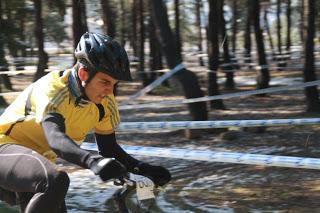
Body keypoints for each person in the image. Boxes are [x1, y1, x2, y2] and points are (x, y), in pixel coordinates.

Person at [0, 32, 171, 212]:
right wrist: (92, 161)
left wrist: (141, 167)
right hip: (4, 147)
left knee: (53, 186)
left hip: (35, 163)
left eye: (114, 84)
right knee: (56, 181)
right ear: (83, 73)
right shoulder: (53, 89)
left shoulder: (104, 102)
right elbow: (55, 138)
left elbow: (109, 149)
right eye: (105, 81)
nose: (109, 90)